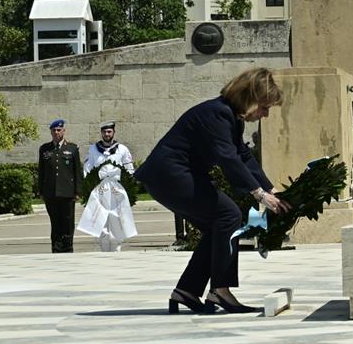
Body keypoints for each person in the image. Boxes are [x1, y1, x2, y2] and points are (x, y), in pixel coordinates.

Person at [135, 68, 289, 314]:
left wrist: (272, 189)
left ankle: (186, 291)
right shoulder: (218, 113)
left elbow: (243, 155)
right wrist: (259, 194)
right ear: (249, 98)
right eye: (264, 107)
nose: (265, 114)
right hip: (170, 175)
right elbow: (227, 157)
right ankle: (220, 290)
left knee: (219, 226)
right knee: (229, 216)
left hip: (174, 177)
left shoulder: (230, 116)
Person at [77, 121, 137, 251]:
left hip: (117, 191)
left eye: (109, 131)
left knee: (116, 219)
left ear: (113, 132)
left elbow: (129, 169)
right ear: (101, 133)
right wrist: (88, 188)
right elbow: (87, 169)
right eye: (104, 132)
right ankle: (104, 250)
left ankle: (117, 250)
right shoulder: (93, 149)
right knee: (101, 219)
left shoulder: (122, 149)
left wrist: (128, 187)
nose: (106, 134)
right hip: (100, 191)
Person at [36, 120, 82, 253]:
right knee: (55, 222)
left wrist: (77, 191)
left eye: (59, 130)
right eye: (54, 130)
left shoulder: (72, 148)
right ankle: (56, 248)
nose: (56, 133)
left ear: (63, 131)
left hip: (67, 193)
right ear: (51, 131)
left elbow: (77, 171)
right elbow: (41, 171)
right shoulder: (45, 149)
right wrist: (41, 191)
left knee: (67, 223)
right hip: (51, 193)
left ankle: (68, 247)